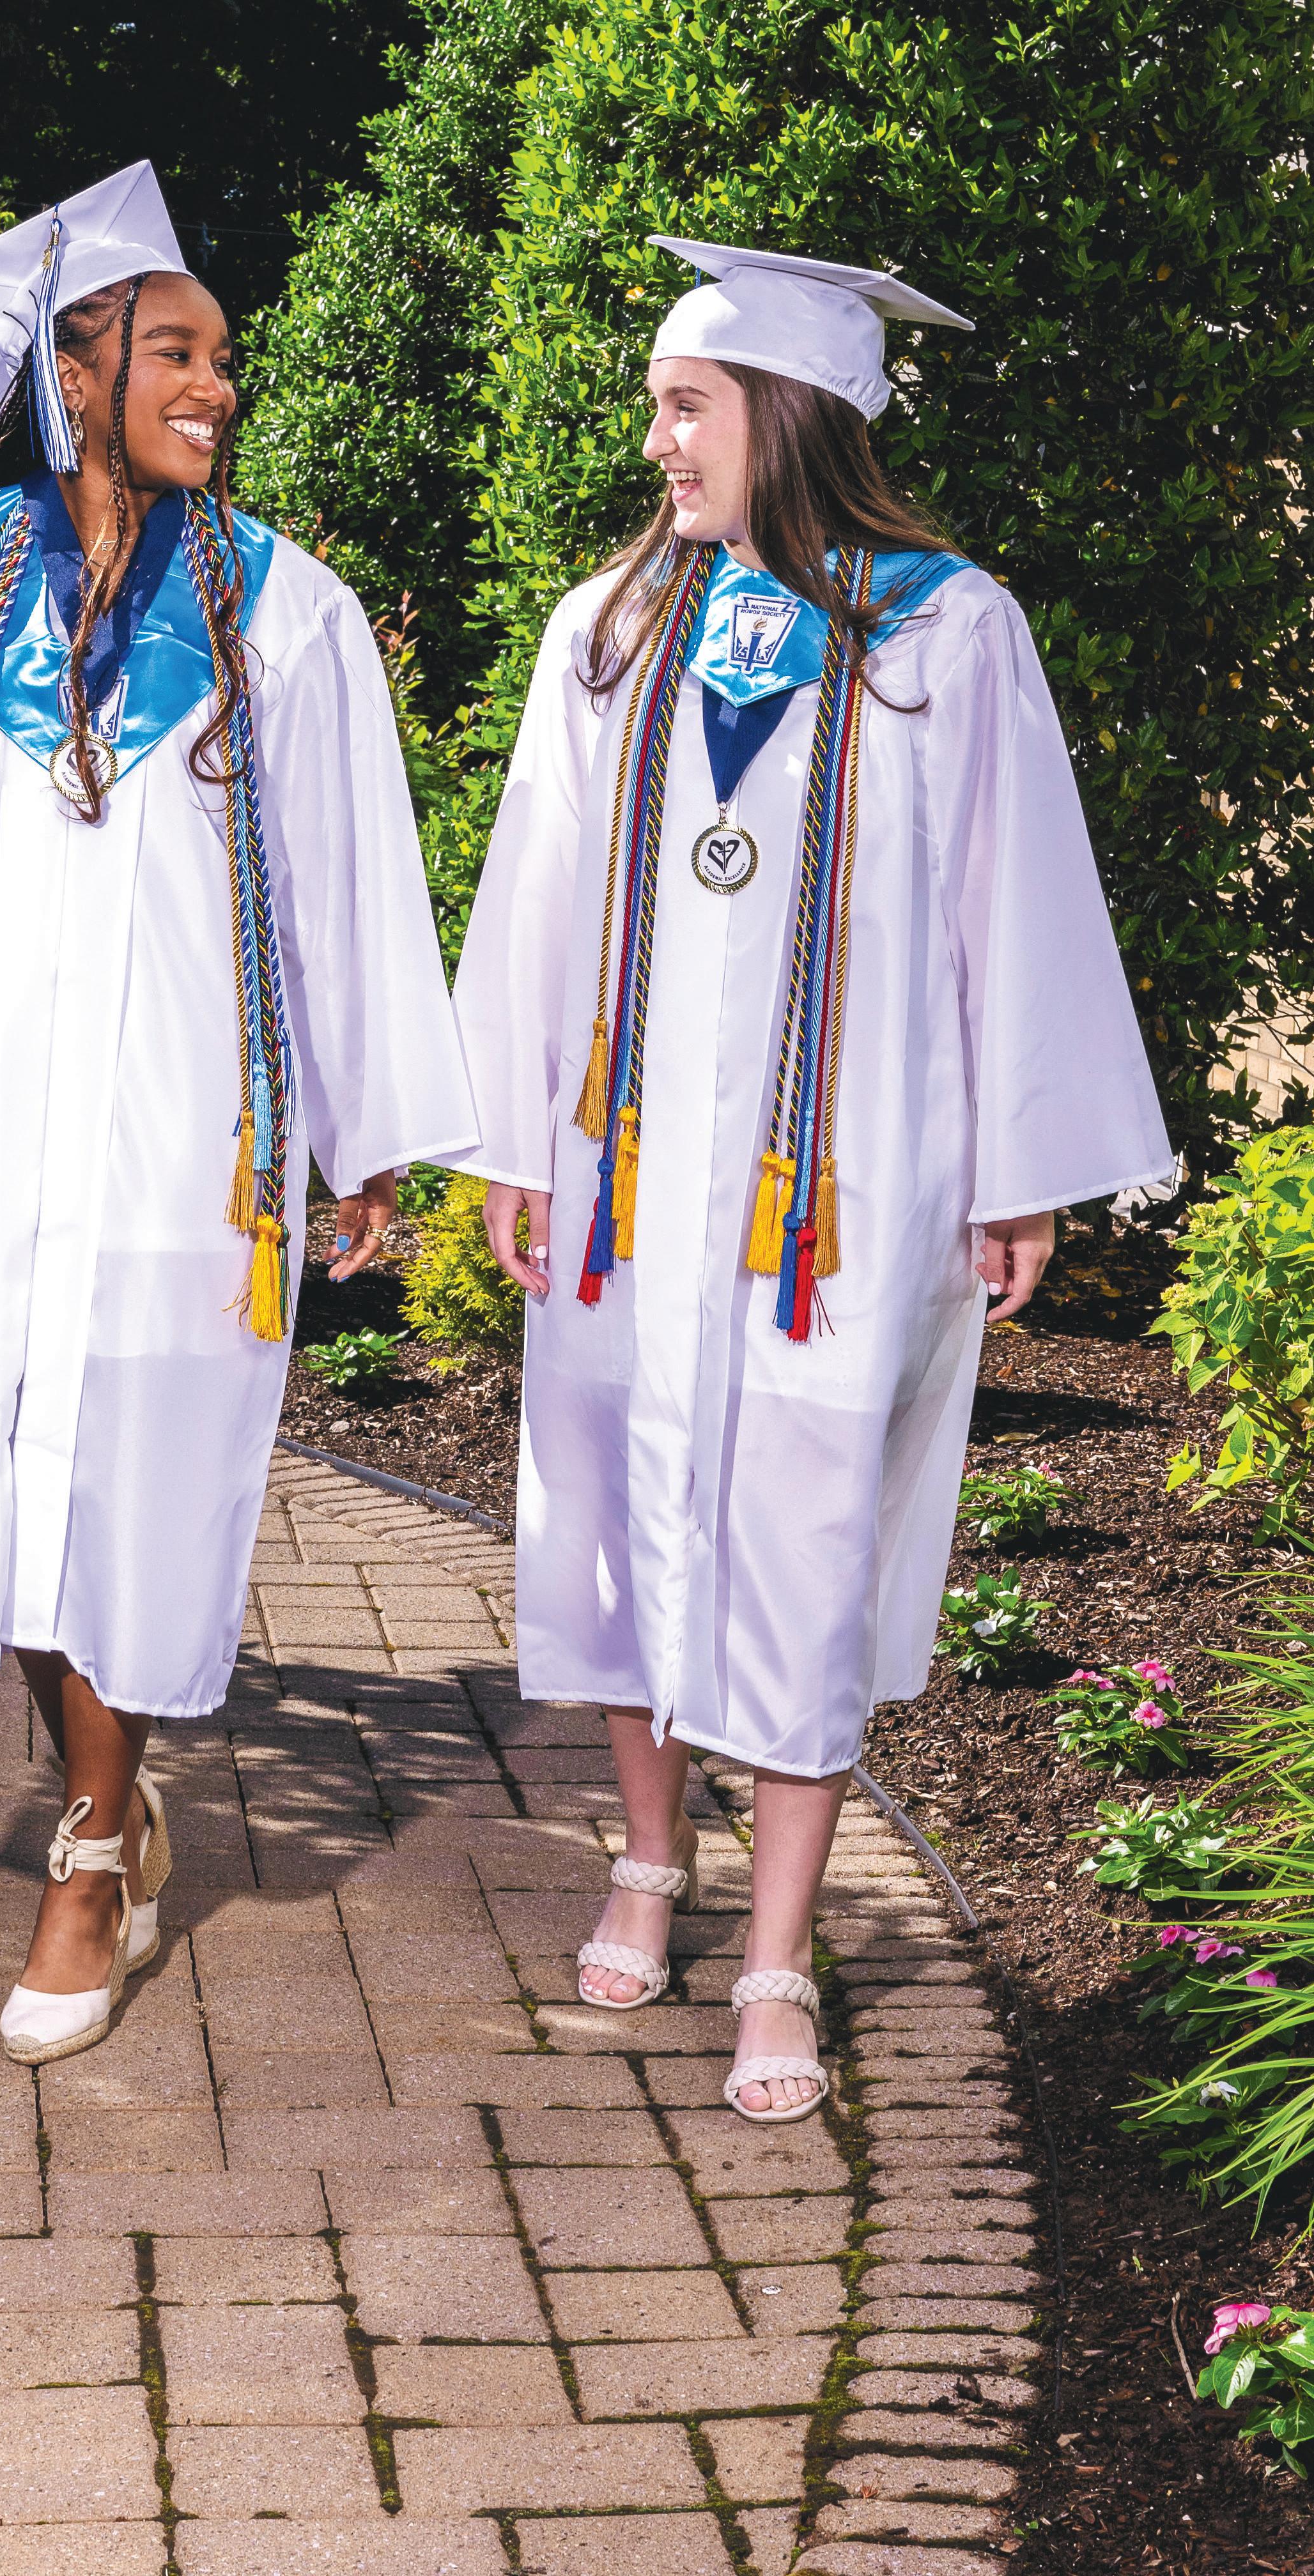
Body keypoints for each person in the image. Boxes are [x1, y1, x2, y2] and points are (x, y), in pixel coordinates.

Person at [0, 164, 475, 2068]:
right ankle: (103, 1796)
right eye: (176, 351)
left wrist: (360, 1126)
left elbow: (348, 879)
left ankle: (93, 1851)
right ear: (72, 372)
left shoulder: (286, 610)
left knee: (125, 1464)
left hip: (179, 1127)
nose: (217, 382)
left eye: (222, 354)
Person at [451, 238, 1173, 2122]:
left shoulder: (945, 634)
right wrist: (513, 1138)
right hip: (624, 1178)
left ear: (785, 414)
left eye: (685, 406)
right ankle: (644, 1857)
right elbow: (537, 887)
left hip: (836, 1189)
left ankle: (776, 1948)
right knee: (612, 1503)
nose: (656, 442)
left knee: (807, 1529)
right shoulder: (612, 627)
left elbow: (1014, 905)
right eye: (656, 405)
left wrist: (1018, 1172)